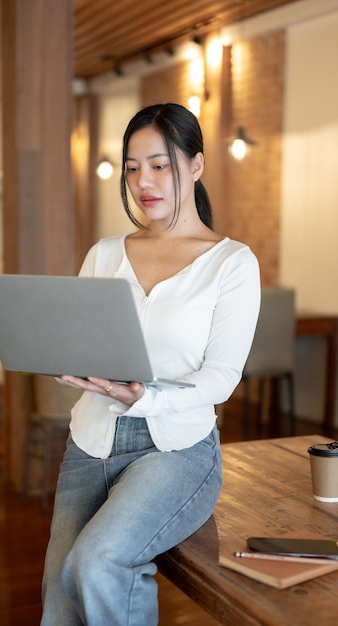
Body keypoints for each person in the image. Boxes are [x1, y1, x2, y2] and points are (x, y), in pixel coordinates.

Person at [40, 102, 260, 626]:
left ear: (196, 165)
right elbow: (82, 340)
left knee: (97, 562)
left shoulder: (231, 263)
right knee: (59, 598)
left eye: (161, 164)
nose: (144, 180)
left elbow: (222, 377)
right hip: (90, 442)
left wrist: (147, 397)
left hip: (176, 447)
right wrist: (57, 353)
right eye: (133, 166)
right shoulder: (104, 253)